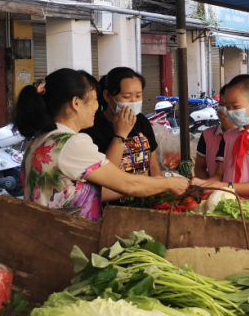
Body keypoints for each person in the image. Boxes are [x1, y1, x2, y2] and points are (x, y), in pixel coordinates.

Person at [15, 69, 190, 221]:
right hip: (70, 241)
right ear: (76, 103)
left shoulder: (41, 140)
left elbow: (97, 190)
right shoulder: (72, 143)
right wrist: (169, 184)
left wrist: (152, 183)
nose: (97, 107)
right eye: (93, 99)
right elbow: (128, 184)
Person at [82, 67, 163, 203]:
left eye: (138, 96)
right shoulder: (92, 127)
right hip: (111, 208)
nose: (133, 101)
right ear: (107, 96)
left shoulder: (141, 121)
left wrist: (160, 195)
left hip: (146, 202)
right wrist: (120, 135)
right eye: (126, 97)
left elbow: (153, 166)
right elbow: (105, 175)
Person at [194, 85, 236, 179]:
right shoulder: (207, 135)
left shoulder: (247, 136)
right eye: (221, 103)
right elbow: (199, 167)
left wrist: (232, 130)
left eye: (229, 105)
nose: (224, 109)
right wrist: (208, 186)